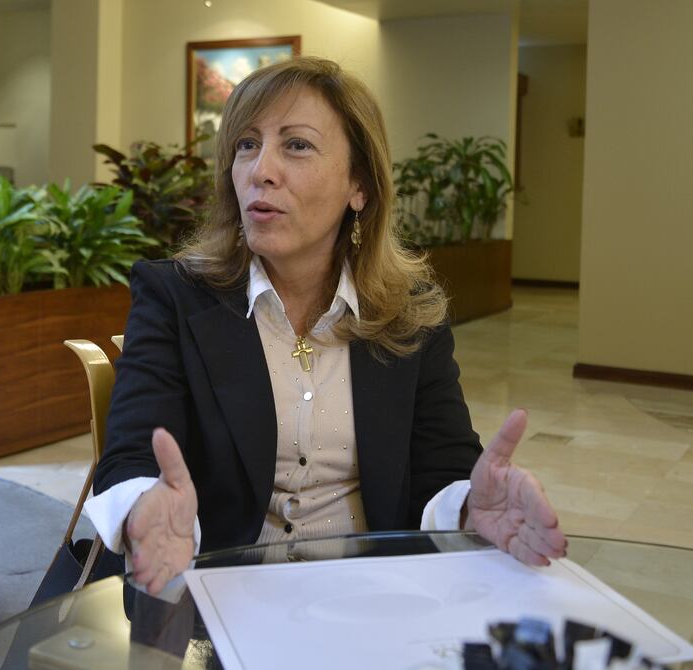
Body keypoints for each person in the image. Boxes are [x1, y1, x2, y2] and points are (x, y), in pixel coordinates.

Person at [85, 57, 566, 597]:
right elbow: (131, 457)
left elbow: (442, 466)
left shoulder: (409, 313)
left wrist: (470, 506)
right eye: (246, 144)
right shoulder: (174, 297)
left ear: (359, 184)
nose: (261, 170)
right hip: (215, 597)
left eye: (296, 145)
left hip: (369, 598)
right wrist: (145, 509)